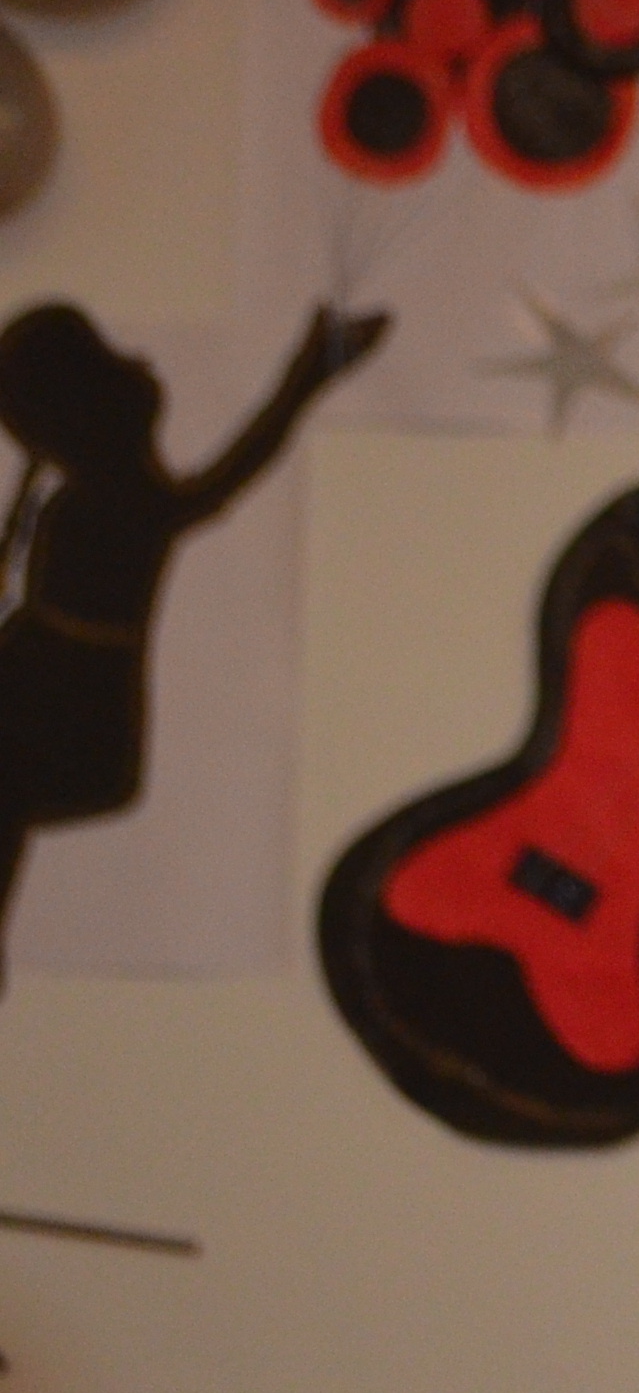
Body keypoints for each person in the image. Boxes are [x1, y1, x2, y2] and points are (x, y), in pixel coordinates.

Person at [0, 300, 385, 991]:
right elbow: (224, 479)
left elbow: (229, 475)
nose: (143, 363)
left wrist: (304, 380)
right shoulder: (97, 497)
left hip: (56, 705)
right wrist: (305, 379)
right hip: (47, 694)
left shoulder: (113, 500)